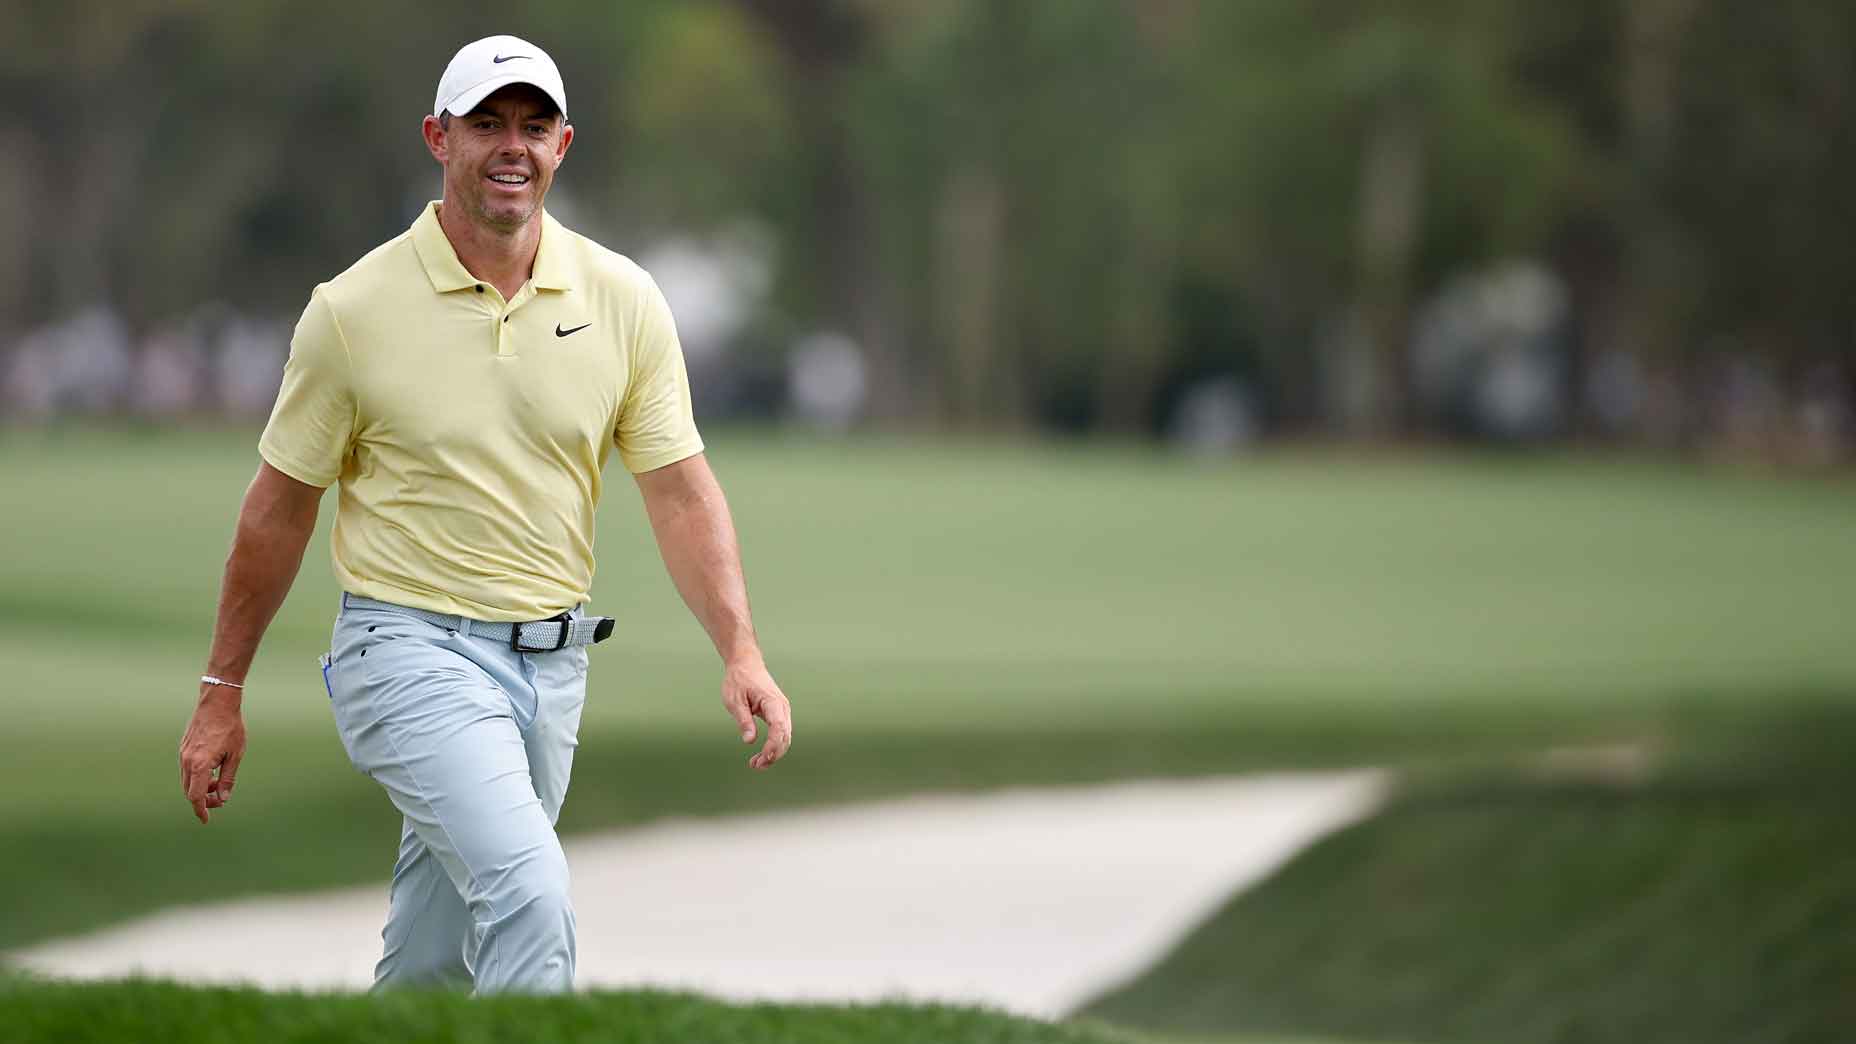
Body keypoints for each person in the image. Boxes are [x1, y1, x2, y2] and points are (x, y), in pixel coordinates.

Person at [176, 34, 794, 994]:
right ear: (439, 138)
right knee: (530, 897)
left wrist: (741, 650)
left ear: (563, 146)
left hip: (552, 667)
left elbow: (680, 492)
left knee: (435, 960)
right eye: (487, 124)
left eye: (534, 127)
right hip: (405, 648)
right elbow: (279, 510)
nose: (513, 146)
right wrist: (223, 689)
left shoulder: (623, 300)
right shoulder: (352, 310)